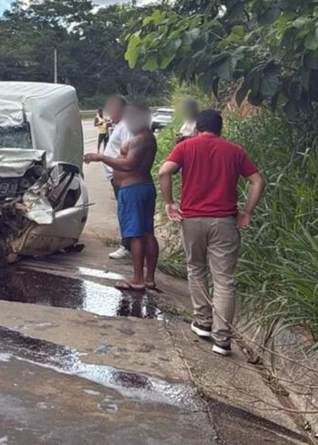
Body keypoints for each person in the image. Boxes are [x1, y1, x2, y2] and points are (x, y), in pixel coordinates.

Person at [158, 110, 265, 357]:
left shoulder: (186, 147)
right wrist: (246, 212)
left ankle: (203, 322)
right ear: (220, 130)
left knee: (195, 268)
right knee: (224, 280)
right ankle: (222, 340)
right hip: (225, 222)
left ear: (197, 128)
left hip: (192, 219)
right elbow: (258, 181)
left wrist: (169, 202)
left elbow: (164, 172)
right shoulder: (234, 150)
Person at [85, 105, 158, 290]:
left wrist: (100, 157)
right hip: (142, 187)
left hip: (133, 189)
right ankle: (148, 278)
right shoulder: (146, 137)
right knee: (147, 233)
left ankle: (138, 279)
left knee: (135, 234)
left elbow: (127, 164)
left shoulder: (140, 139)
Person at [100, 95, 133, 259]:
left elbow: (128, 153)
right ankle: (128, 243)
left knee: (125, 212)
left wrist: (103, 159)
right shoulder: (120, 125)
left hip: (122, 177)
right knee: (123, 211)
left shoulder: (127, 126)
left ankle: (127, 245)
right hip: (117, 177)